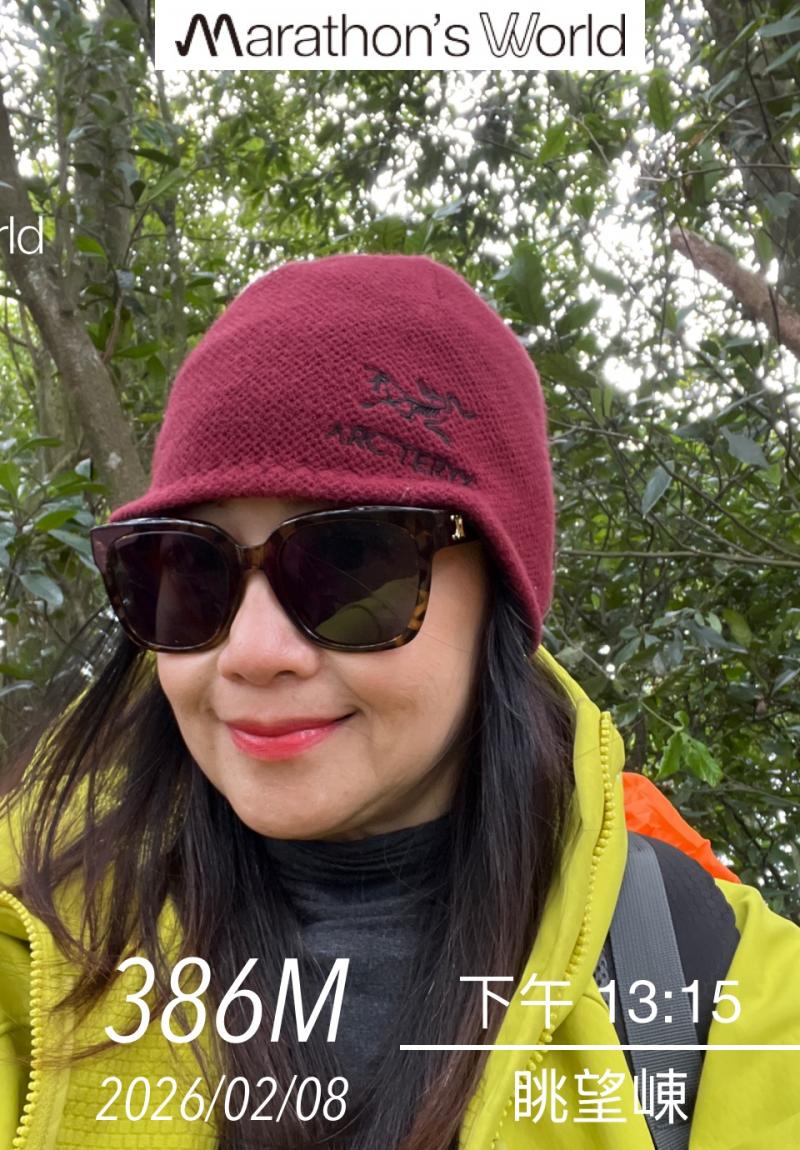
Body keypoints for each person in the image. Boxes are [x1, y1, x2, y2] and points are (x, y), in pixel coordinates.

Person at [0, 252, 798, 1150]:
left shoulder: (721, 986)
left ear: (501, 598)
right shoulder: (31, 938)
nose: (253, 655)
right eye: (188, 566)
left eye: (351, 565)